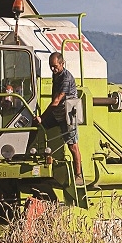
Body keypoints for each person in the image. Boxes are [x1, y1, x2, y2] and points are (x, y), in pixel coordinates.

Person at [34, 51, 83, 185]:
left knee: (73, 146)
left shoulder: (66, 78)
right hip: (57, 114)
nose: (53, 69)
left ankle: (78, 174)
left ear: (62, 64)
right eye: (51, 66)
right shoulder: (56, 75)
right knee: (38, 128)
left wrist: (42, 117)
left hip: (68, 115)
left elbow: (56, 100)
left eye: (55, 66)